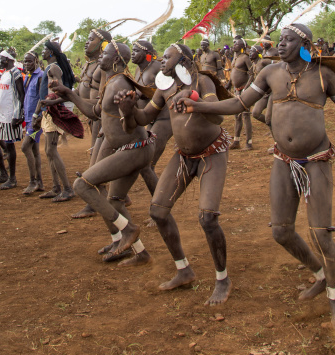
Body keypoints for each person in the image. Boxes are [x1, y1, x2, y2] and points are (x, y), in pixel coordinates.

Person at [175, 24, 335, 328]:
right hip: (284, 160)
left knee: (321, 234)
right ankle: (320, 275)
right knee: (281, 232)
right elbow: (240, 104)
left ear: (305, 45)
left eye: (289, 40)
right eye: (281, 40)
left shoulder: (323, 75)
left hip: (316, 160)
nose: (281, 44)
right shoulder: (270, 72)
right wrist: (198, 105)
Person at [115, 43, 232, 304]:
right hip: (184, 155)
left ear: (185, 61)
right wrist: (128, 110)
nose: (162, 60)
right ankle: (183, 269)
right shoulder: (164, 87)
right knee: (157, 212)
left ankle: (222, 279)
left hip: (212, 152)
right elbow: (145, 118)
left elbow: (218, 118)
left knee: (208, 219)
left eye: (168, 57)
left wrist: (195, 102)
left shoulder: (203, 82)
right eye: (163, 57)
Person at [54, 40, 155, 266]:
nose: (100, 56)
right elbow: (94, 112)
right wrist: (69, 94)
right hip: (128, 148)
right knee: (115, 201)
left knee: (82, 185)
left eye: (105, 54)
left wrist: (128, 113)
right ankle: (139, 252)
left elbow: (130, 126)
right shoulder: (110, 82)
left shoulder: (120, 85)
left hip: (134, 149)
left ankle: (128, 230)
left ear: (116, 60)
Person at [71, 28, 112, 218]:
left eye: (91, 39)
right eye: (87, 39)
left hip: (102, 119)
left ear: (103, 44)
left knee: (96, 162)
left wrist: (68, 95)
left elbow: (101, 102)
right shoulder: (90, 65)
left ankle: (94, 203)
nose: (87, 42)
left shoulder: (104, 67)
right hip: (92, 118)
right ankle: (119, 196)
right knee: (96, 157)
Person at [34, 40, 76, 201]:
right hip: (49, 111)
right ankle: (56, 187)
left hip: (54, 112)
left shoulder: (53, 68)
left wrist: (51, 103)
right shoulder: (51, 68)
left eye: (44, 50)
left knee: (51, 151)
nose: (42, 53)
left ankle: (67, 189)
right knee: (48, 151)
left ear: (51, 52)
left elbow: (63, 91)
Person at [131, 40, 172, 191]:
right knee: (142, 161)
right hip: (148, 120)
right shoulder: (138, 70)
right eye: (132, 50)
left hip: (164, 119)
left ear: (147, 54)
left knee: (146, 164)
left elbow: (169, 90)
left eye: (136, 51)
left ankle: (161, 206)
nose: (132, 54)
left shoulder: (158, 68)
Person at [0, 51, 25, 189]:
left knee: (9, 146)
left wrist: (19, 114)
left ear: (9, 60)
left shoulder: (15, 73)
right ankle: (4, 174)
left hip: (11, 116)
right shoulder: (4, 73)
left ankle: (12, 178)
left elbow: (21, 94)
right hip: (1, 115)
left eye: (2, 59)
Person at [21, 52, 44, 195]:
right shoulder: (29, 77)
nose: (27, 64)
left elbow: (42, 99)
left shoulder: (40, 76)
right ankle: (39, 182)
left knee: (25, 147)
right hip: (29, 118)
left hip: (36, 120)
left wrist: (37, 117)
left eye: (29, 61)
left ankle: (33, 181)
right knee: (34, 150)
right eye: (25, 62)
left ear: (36, 61)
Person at [227, 36, 253, 149]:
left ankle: (249, 142)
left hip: (244, 89)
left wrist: (247, 88)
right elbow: (233, 72)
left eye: (237, 44)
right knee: (237, 116)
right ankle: (236, 141)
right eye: (234, 44)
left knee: (246, 116)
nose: (234, 46)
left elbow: (252, 74)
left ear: (242, 47)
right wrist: (229, 83)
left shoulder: (245, 58)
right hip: (236, 90)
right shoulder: (235, 58)